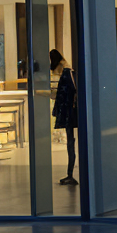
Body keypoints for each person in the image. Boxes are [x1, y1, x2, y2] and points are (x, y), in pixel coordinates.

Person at [51, 49, 79, 186]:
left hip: (69, 113)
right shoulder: (69, 73)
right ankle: (70, 173)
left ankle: (70, 173)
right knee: (70, 142)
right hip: (70, 112)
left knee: (70, 143)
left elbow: (67, 94)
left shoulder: (67, 73)